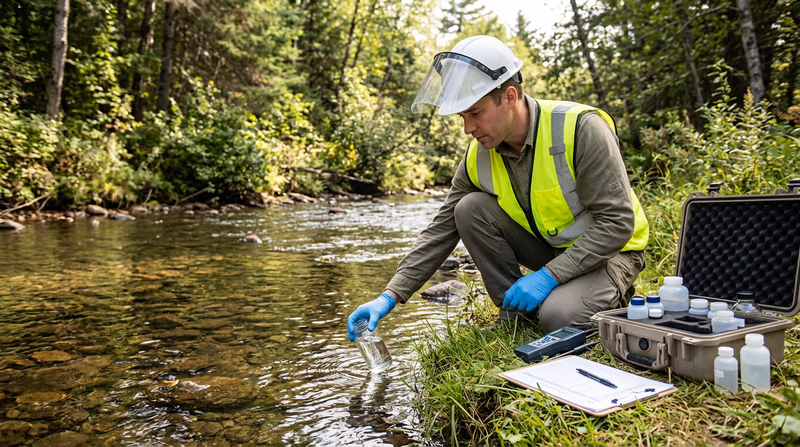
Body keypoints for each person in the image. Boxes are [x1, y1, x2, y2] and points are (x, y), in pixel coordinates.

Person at [346, 35, 649, 342]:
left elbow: (617, 224)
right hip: (552, 249)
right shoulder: (477, 156)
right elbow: (442, 227)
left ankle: (605, 296)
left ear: (510, 96)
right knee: (468, 208)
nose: (468, 128)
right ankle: (515, 316)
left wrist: (547, 277)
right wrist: (390, 295)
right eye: (462, 117)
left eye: (475, 113)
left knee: (560, 317)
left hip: (613, 252)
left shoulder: (581, 128)